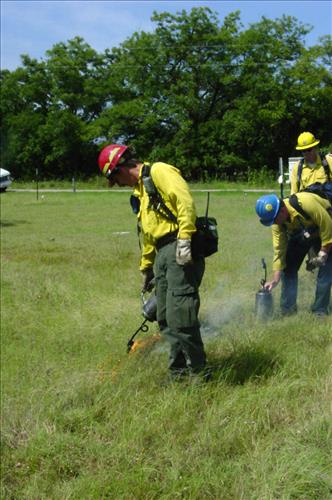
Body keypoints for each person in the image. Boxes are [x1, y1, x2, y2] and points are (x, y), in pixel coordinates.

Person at [98, 144, 208, 380]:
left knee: (183, 316)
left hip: (179, 247)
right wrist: (146, 267)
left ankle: (200, 374)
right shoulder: (140, 192)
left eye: (115, 179)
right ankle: (178, 374)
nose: (117, 184)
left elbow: (184, 202)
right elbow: (148, 233)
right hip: (162, 255)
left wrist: (185, 239)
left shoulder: (159, 171)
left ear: (120, 168)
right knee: (166, 318)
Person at [255, 192, 332, 316]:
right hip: (303, 235)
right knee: (288, 268)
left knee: (325, 271)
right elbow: (279, 251)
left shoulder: (306, 203)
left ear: (282, 210)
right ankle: (287, 310)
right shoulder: (277, 224)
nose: (274, 223)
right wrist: (275, 280)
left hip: (326, 231)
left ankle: (320, 310)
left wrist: (323, 254)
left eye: (274, 220)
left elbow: (327, 225)